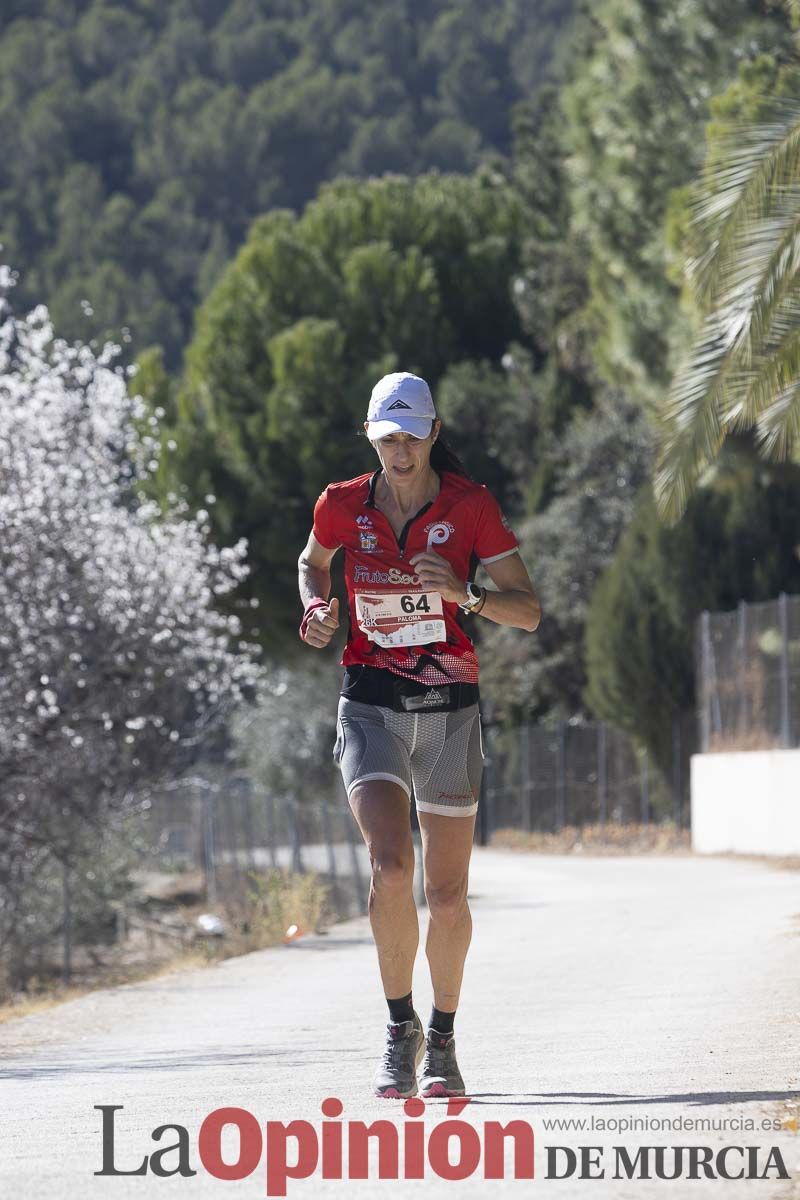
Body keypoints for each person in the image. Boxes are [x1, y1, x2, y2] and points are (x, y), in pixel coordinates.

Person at [297, 371, 540, 1099]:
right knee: (391, 869)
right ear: (372, 440)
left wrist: (466, 594)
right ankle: (398, 1030)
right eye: (386, 440)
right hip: (368, 699)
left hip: (448, 707)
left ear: (434, 433)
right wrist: (313, 608)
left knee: (449, 893)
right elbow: (313, 563)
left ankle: (444, 1037)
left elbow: (528, 611)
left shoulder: (471, 508)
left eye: (410, 437)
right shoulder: (342, 505)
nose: (399, 452)